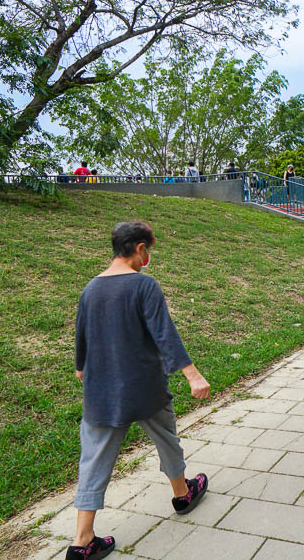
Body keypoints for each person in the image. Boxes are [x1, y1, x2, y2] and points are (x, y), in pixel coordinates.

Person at [69, 221, 211, 560]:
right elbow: (165, 334)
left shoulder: (90, 288)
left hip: (100, 391)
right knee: (166, 439)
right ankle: (181, 494)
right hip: (144, 387)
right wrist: (192, 375)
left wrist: (80, 366)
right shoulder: (143, 286)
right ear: (140, 250)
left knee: (93, 459)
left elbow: (81, 334)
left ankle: (81, 539)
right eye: (149, 250)